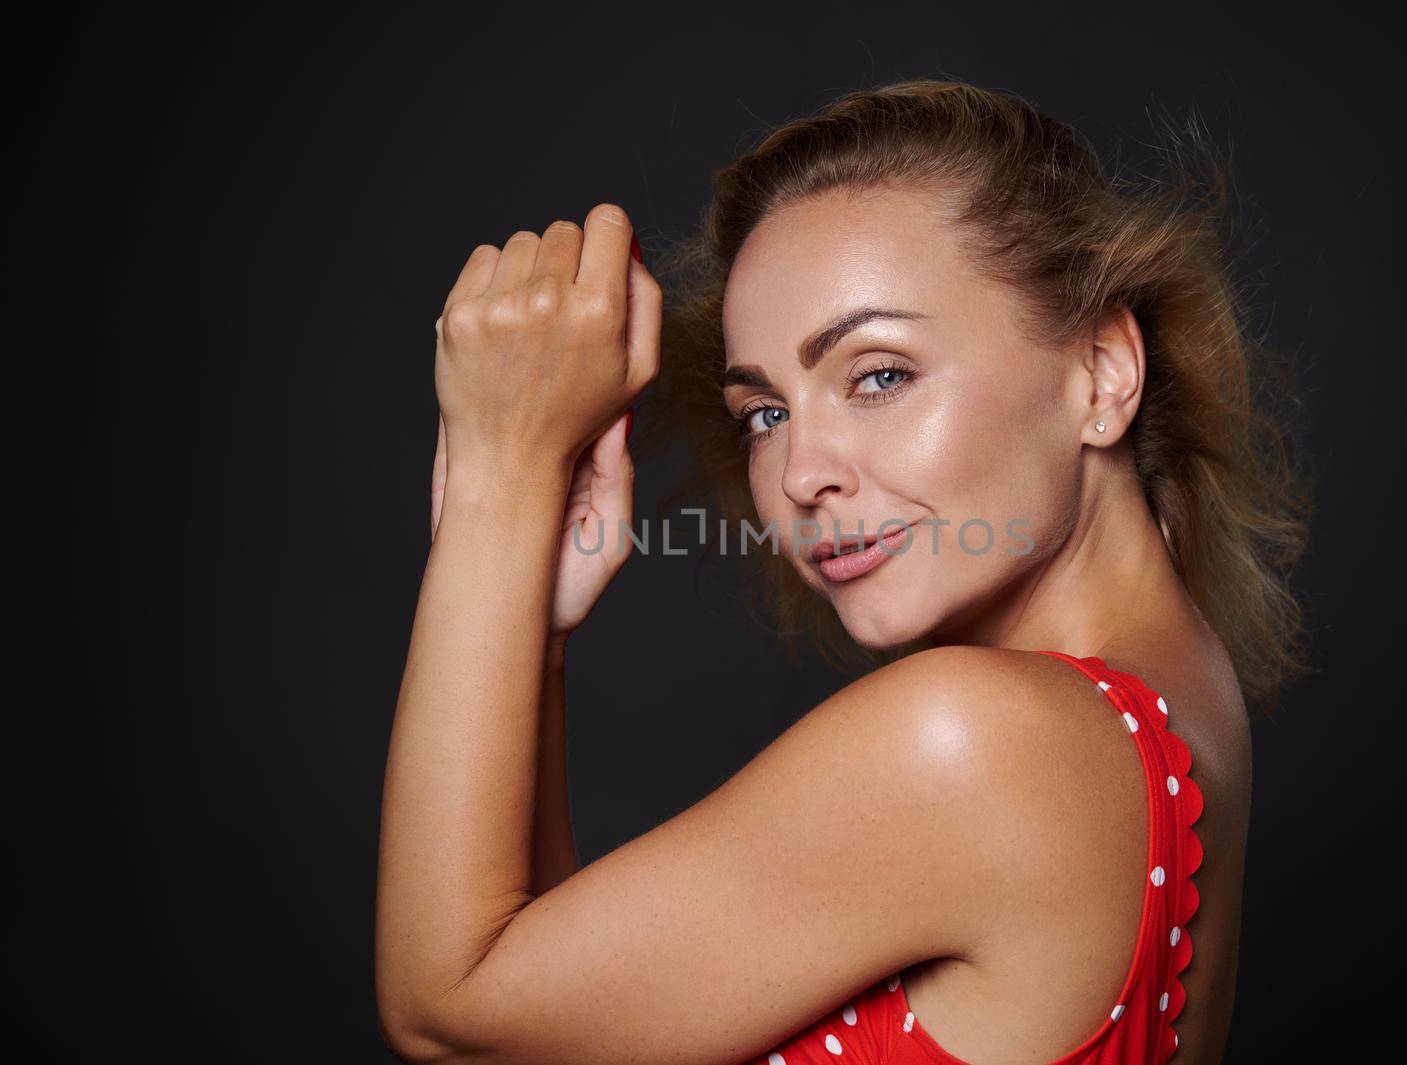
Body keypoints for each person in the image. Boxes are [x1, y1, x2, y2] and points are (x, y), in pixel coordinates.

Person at [376, 78, 1311, 1065]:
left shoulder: (975, 740)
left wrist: (500, 477)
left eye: (878, 375)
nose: (801, 475)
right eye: (764, 414)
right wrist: (538, 641)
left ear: (1102, 371)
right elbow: (562, 1029)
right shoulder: (1168, 695)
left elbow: (452, 1016)